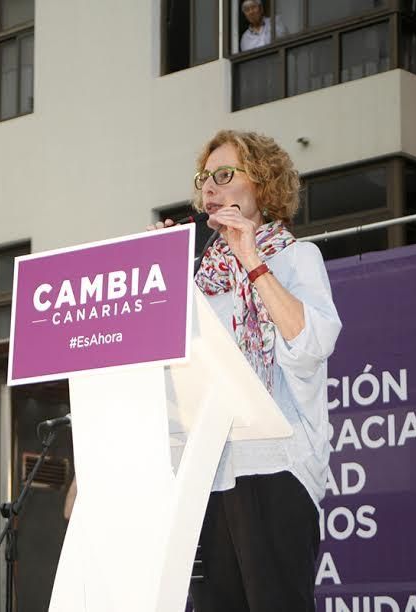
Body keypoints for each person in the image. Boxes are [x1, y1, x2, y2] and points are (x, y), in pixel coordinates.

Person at [152, 130, 341, 612]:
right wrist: (159, 276)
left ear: (261, 182)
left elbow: (311, 342)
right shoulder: (198, 277)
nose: (208, 187)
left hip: (275, 465)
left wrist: (251, 260)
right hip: (205, 473)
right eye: (203, 179)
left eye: (223, 175)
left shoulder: (297, 258)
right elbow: (171, 368)